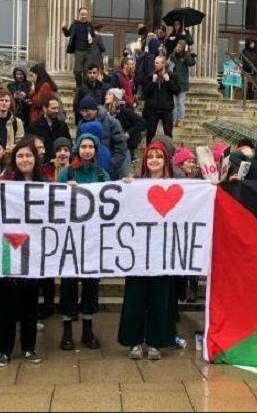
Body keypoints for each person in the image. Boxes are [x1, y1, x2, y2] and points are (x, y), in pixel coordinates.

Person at [0, 141, 46, 367]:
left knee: (30, 303)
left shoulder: (45, 183)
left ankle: (29, 347)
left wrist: (69, 189)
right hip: (8, 249)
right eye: (20, 156)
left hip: (34, 251)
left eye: (28, 156)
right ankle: (4, 349)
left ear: (35, 158)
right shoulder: (4, 181)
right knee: (7, 303)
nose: (24, 160)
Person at [119, 142, 178, 361]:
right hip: (138, 252)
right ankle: (133, 341)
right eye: (150, 156)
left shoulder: (177, 186)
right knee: (134, 297)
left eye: (158, 156)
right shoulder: (135, 185)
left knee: (160, 298)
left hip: (163, 253)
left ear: (165, 161)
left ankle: (155, 342)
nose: (154, 160)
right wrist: (125, 188)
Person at [56, 133, 110, 352]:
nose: (87, 150)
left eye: (91, 147)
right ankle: (67, 329)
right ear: (77, 149)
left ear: (95, 150)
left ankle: (88, 328)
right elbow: (55, 200)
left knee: (91, 285)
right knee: (68, 284)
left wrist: (125, 186)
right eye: (83, 146)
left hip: (93, 239)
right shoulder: (67, 172)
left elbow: (112, 200)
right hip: (70, 237)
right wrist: (65, 191)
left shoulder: (102, 174)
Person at [76, 95, 128, 180]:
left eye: (87, 111)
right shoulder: (81, 124)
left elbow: (121, 147)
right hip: (86, 170)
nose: (84, 114)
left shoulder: (112, 123)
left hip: (107, 169)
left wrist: (111, 164)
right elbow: (77, 145)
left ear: (95, 110)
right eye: (82, 111)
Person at [102, 88, 146, 176]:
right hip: (108, 148)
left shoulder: (126, 112)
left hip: (124, 148)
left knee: (122, 174)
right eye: (106, 94)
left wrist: (128, 133)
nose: (106, 96)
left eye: (109, 95)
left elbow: (142, 122)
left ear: (116, 98)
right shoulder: (103, 113)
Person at [143, 55, 180, 144]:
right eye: (155, 63)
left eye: (157, 63)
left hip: (166, 109)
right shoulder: (150, 76)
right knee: (150, 133)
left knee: (168, 133)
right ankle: (149, 150)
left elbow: (176, 91)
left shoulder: (171, 76)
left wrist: (168, 81)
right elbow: (145, 92)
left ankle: (169, 151)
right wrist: (152, 82)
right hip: (153, 109)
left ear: (163, 64)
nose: (155, 65)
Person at [28, 94, 71, 162]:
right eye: (53, 108)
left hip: (61, 162)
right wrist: (48, 160)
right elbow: (30, 147)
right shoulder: (34, 127)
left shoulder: (63, 126)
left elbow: (69, 144)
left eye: (57, 108)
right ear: (45, 108)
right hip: (42, 163)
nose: (56, 111)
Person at [62, 7, 96, 87]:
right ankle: (79, 87)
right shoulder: (75, 24)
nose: (84, 16)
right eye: (82, 14)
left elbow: (93, 35)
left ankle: (84, 88)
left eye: (85, 14)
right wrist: (64, 28)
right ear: (79, 14)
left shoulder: (89, 25)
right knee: (77, 71)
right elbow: (67, 34)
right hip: (78, 51)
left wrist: (93, 37)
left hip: (88, 51)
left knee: (86, 71)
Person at [170, 40, 196, 128]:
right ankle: (174, 119)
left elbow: (190, 63)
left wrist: (186, 52)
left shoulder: (186, 56)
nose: (178, 48)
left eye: (180, 47)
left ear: (184, 48)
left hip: (182, 83)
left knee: (180, 102)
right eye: (177, 46)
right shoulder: (173, 55)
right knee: (173, 102)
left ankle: (180, 119)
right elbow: (169, 64)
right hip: (173, 83)